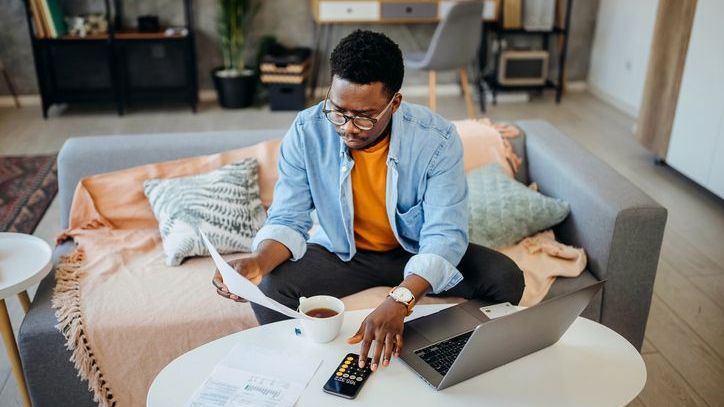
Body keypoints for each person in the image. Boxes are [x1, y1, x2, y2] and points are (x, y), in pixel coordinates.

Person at [213, 29, 524, 373]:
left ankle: (434, 351)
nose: (347, 128)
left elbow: (445, 234)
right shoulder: (306, 131)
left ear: (395, 103)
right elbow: (288, 218)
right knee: (272, 286)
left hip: (414, 248)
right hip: (343, 252)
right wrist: (258, 262)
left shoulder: (436, 139)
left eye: (364, 116)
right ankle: (305, 370)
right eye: (337, 110)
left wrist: (402, 300)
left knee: (505, 278)